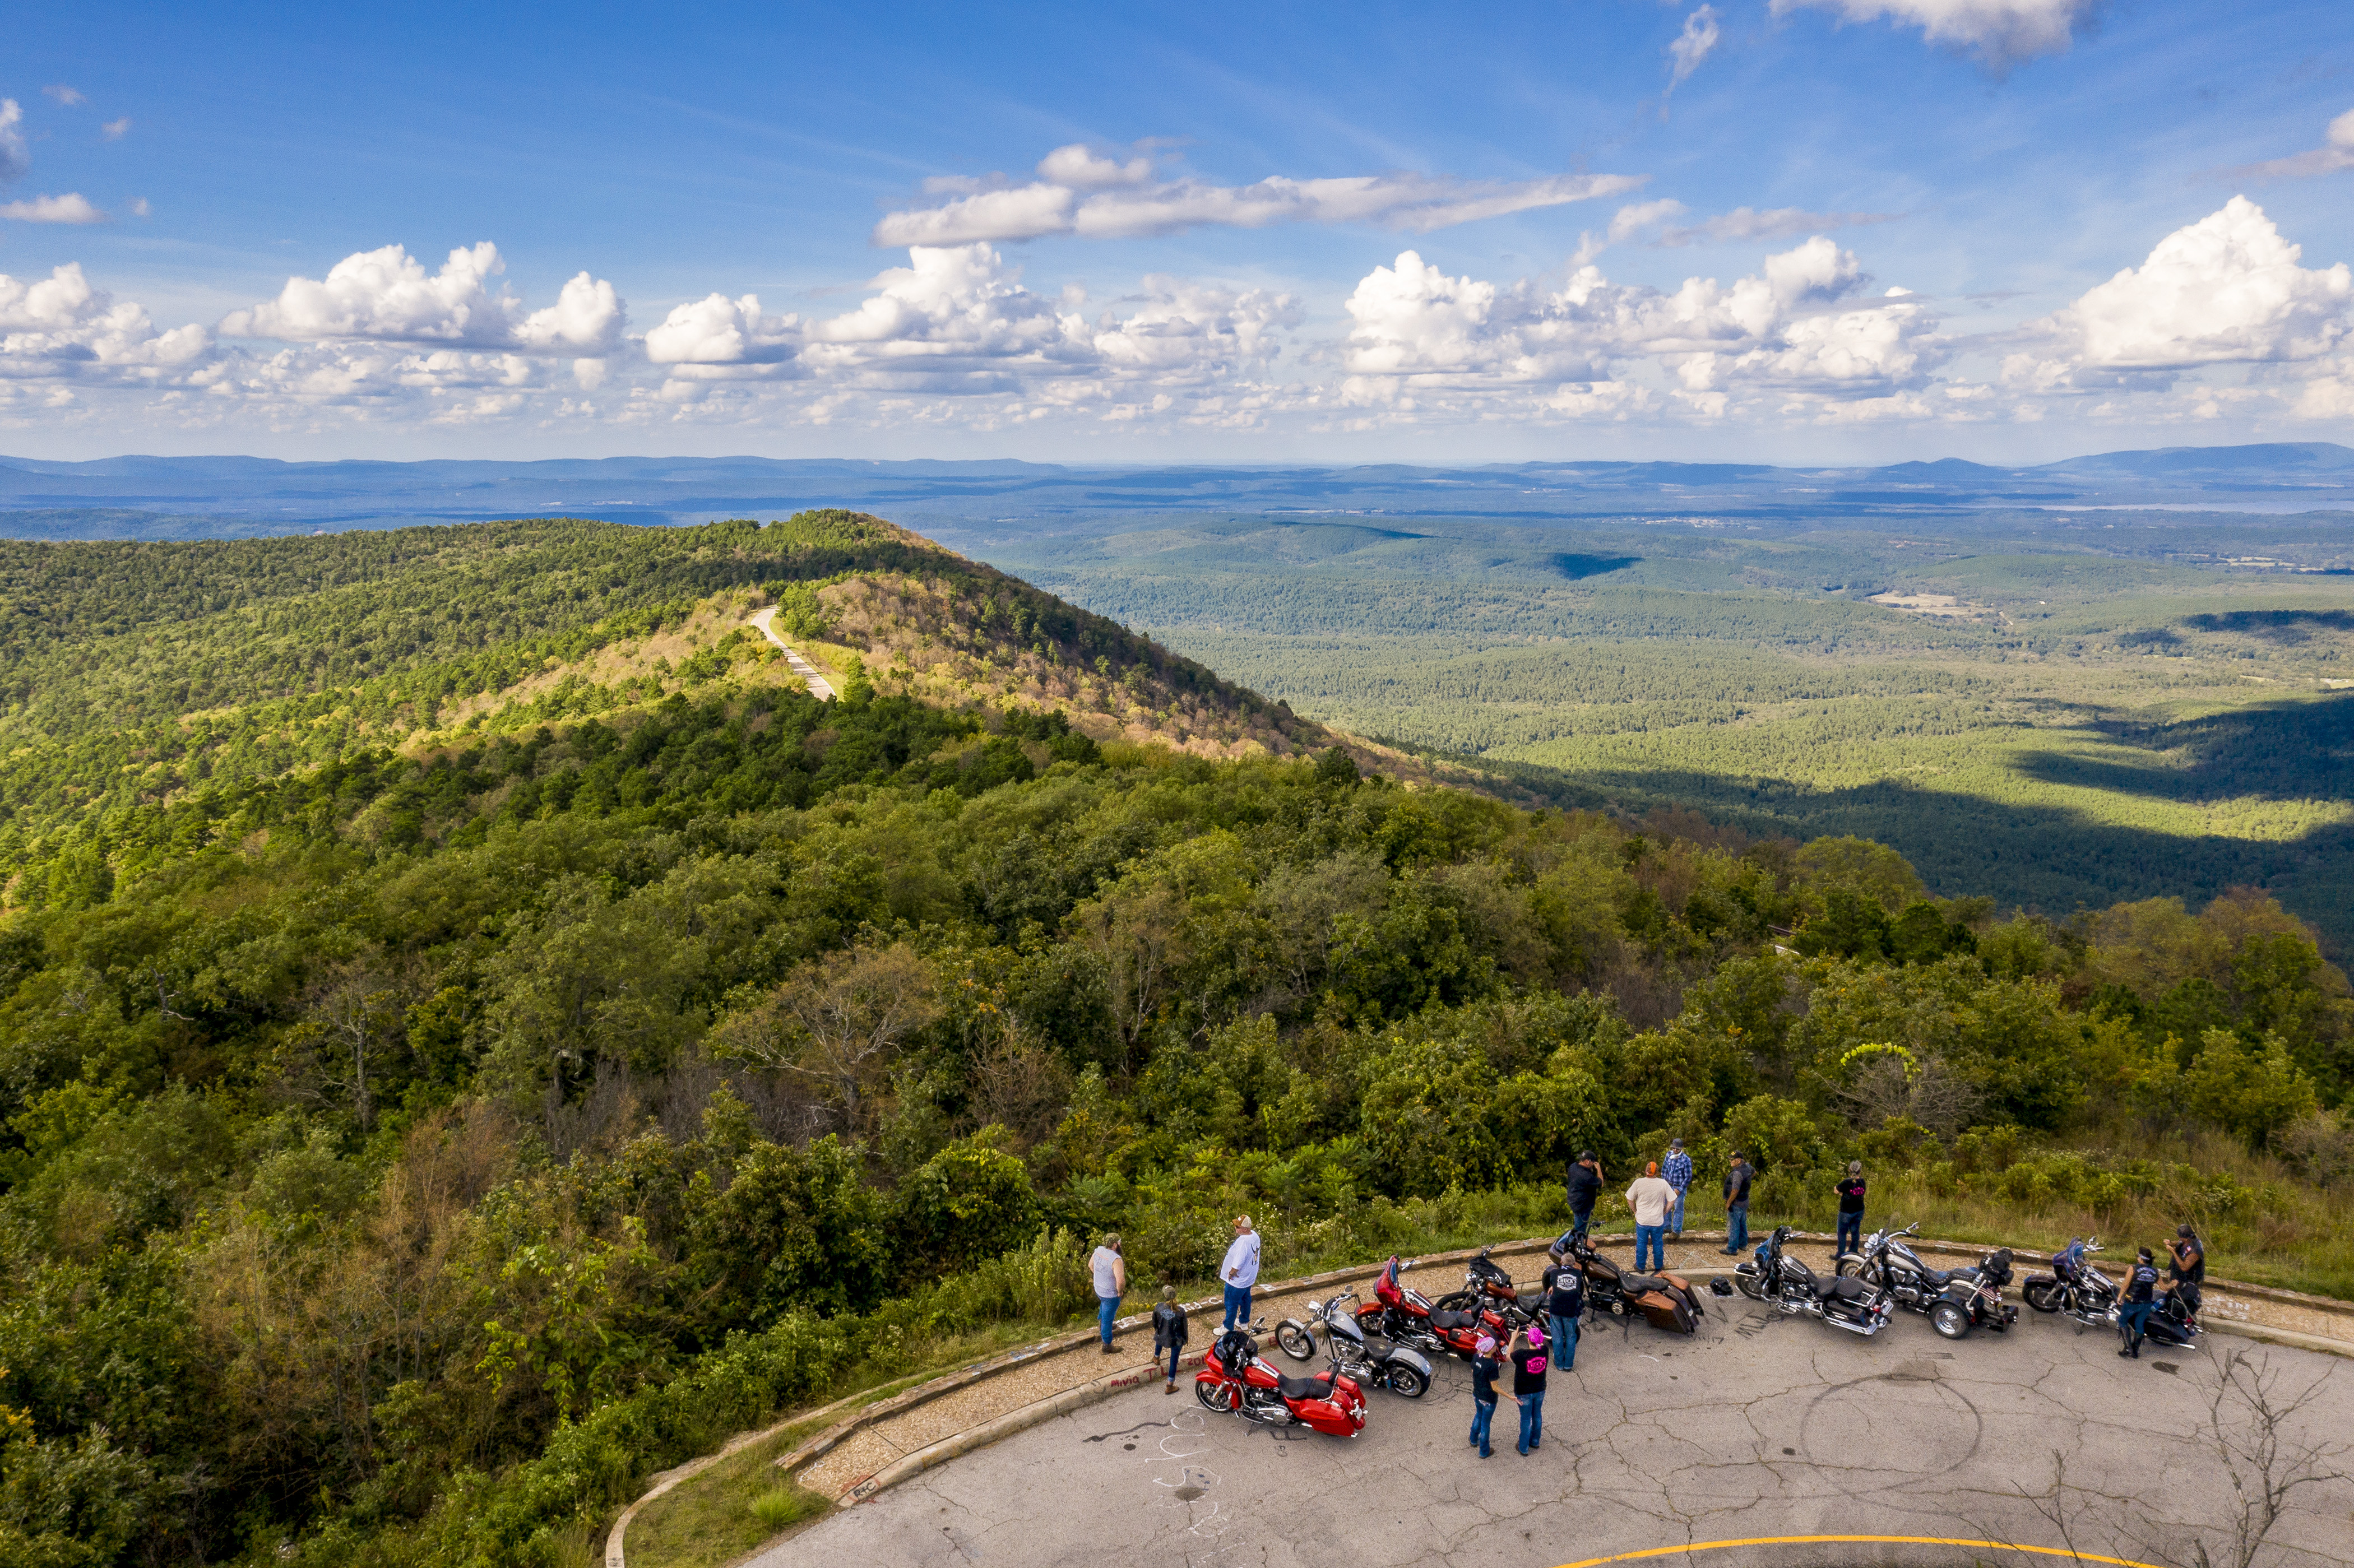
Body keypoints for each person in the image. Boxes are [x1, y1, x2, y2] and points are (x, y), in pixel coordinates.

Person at [1627, 1162, 1676, 1273]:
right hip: (1657, 1221)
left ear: (1646, 1171)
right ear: (1657, 1173)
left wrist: (1635, 1211)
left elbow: (1630, 1198)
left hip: (1642, 1220)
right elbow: (1672, 1199)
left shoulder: (1639, 1183)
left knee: (1641, 1244)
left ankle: (1641, 1267)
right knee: (1658, 1244)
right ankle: (1658, 1267)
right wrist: (1665, 1211)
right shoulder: (1663, 1183)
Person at [1219, 1214, 1261, 1331]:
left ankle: (1227, 1327)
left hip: (1237, 1280)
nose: (1236, 1228)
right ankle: (1244, 1321)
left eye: (1238, 1227)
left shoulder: (1243, 1242)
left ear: (1246, 1229)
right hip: (1249, 1277)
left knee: (1231, 1304)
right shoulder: (1255, 1236)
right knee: (1246, 1299)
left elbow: (1238, 1263)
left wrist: (1231, 1273)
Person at [1512, 1324, 1548, 1456]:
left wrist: (1513, 1338)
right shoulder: (1544, 1351)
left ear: (1528, 1340)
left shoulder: (1521, 1354)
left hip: (1524, 1392)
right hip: (1540, 1389)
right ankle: (1535, 1441)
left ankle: (1524, 1447)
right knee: (1537, 1414)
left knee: (1526, 1419)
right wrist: (1534, 1330)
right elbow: (1541, 1342)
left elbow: (1507, 1356)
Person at [2117, 1246, 2160, 1358]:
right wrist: (2173, 1285)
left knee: (2122, 1321)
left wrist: (2120, 1296)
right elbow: (2164, 1288)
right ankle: (2135, 1351)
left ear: (2141, 1259)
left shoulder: (2133, 1268)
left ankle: (2128, 1348)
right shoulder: (2155, 1271)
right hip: (2146, 1303)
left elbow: (2126, 1284)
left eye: (2138, 1256)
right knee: (2140, 1324)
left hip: (2132, 1302)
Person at [1544, 1255, 1584, 1372]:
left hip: (1556, 1309)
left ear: (1561, 1262)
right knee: (1571, 1336)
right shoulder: (1578, 1274)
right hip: (1570, 1311)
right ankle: (1568, 1365)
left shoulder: (1555, 1272)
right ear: (1574, 1263)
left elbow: (1553, 1284)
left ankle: (1559, 1364)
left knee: (1557, 1336)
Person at [1091, 1233, 1126, 1353]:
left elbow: (1091, 1266)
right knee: (1108, 1315)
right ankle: (1107, 1345)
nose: (1121, 1244)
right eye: (1119, 1242)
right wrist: (1120, 1291)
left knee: (1104, 1306)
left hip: (1098, 1289)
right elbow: (1120, 1281)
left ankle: (1103, 1322)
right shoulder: (1116, 1259)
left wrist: (1101, 1278)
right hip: (1110, 1294)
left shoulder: (1098, 1251)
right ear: (1115, 1245)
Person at [1151, 1286, 1189, 1394]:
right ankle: (1170, 1385)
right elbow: (1184, 1327)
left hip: (1162, 1335)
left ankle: (1156, 1358)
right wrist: (1185, 1339)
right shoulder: (1180, 1311)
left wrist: (1158, 1331)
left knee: (1159, 1340)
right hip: (1177, 1339)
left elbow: (1154, 1322)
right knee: (1173, 1361)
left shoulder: (1158, 1307)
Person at [1468, 1334, 1500, 1459]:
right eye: (1494, 1346)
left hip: (1477, 1394)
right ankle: (1484, 1451)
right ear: (1491, 1349)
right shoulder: (1493, 1366)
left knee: (1478, 1415)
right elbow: (1495, 1387)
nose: (1496, 1347)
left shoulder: (1476, 1357)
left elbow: (1473, 1373)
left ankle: (1473, 1439)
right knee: (1485, 1425)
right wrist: (1510, 1396)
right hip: (1489, 1399)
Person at [2167, 1224, 2205, 1325]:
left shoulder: (2195, 1251)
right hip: (2178, 1276)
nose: (2180, 1239)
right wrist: (2171, 1243)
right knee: (2172, 1297)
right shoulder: (2189, 1239)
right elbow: (2181, 1242)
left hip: (2187, 1280)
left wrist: (2173, 1252)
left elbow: (2184, 1267)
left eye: (2181, 1237)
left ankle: (2180, 1320)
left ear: (2187, 1237)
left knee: (2180, 1300)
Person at [1564, 1151, 1604, 1242]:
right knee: (1580, 1231)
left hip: (1574, 1201)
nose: (1593, 1164)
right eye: (1593, 1162)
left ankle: (1574, 1245)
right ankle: (1575, 1248)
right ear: (1587, 1162)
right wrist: (1599, 1169)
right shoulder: (1587, 1176)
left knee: (1577, 1226)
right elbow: (1601, 1183)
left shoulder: (1573, 1167)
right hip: (1583, 1207)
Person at [1721, 1151, 1754, 1255]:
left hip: (1737, 1202)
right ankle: (1743, 1244)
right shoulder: (1747, 1167)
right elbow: (1754, 1172)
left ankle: (1732, 1249)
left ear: (1738, 1160)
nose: (1730, 1162)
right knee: (1742, 1223)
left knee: (1734, 1225)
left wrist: (1729, 1202)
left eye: (1732, 1160)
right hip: (1745, 1200)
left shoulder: (1737, 1173)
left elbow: (1735, 1190)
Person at [1834, 1161, 1868, 1258]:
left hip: (1846, 1211)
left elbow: (1836, 1190)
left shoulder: (1846, 1182)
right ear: (1860, 1171)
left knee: (1842, 1233)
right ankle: (1853, 1251)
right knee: (1855, 1231)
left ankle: (1841, 1254)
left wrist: (1843, 1193)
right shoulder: (1862, 1182)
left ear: (1850, 1170)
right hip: (1859, 1210)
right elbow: (1861, 1193)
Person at [1662, 1138, 1693, 1238]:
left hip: (1679, 1187)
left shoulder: (1686, 1160)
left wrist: (1679, 1189)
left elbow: (1688, 1177)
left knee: (1678, 1209)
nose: (1675, 1150)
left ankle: (1676, 1231)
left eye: (1677, 1149)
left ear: (1681, 1149)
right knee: (1667, 1207)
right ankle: (1666, 1227)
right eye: (1674, 1148)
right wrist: (1665, 1184)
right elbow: (1664, 1169)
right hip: (1668, 1185)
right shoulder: (1668, 1155)